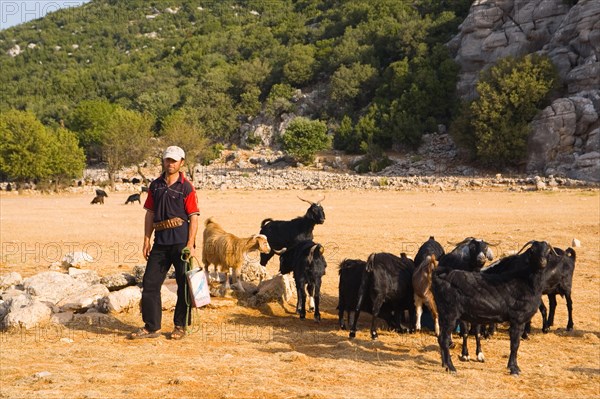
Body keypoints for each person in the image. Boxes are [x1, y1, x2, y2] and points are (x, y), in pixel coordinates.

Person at [128, 146, 200, 340]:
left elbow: (193, 217)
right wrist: (146, 239)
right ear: (163, 161)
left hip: (181, 243)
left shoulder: (186, 187)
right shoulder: (156, 185)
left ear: (182, 163)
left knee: (184, 285)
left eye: (174, 161)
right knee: (150, 283)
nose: (170, 164)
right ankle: (151, 326)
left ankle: (180, 326)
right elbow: (150, 213)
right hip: (160, 242)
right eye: (168, 160)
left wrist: (191, 244)